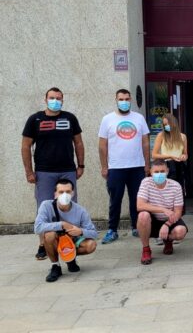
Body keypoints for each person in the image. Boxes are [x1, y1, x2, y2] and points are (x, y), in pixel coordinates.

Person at [22, 87, 85, 260]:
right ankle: (44, 244)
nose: (55, 100)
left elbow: (78, 143)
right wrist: (29, 171)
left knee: (70, 205)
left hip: (67, 170)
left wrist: (80, 165)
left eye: (58, 98)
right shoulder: (35, 119)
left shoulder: (70, 118)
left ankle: (70, 239)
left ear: (63, 100)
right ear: (45, 99)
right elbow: (25, 146)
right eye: (52, 97)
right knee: (44, 207)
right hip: (44, 172)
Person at [98, 88, 150, 244]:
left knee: (137, 198)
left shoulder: (139, 118)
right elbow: (102, 145)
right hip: (115, 167)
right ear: (116, 100)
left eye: (127, 99)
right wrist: (104, 166)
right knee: (115, 200)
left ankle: (137, 227)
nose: (124, 102)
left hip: (137, 166)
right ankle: (112, 230)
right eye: (121, 99)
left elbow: (146, 142)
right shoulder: (107, 119)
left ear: (131, 100)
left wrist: (147, 164)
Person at [34, 179, 97, 282]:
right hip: (55, 239)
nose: (64, 195)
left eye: (68, 192)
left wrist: (80, 231)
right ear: (55, 194)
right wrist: (61, 224)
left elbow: (93, 233)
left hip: (72, 240)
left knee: (91, 245)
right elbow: (37, 228)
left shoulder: (80, 210)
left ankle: (70, 258)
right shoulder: (46, 205)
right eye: (61, 192)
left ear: (73, 193)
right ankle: (55, 266)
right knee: (49, 235)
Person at [136, 159, 187, 265]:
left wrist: (167, 225)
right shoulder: (146, 182)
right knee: (143, 215)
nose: (159, 174)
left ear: (167, 171)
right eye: (156, 172)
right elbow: (140, 205)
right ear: (151, 172)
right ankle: (146, 249)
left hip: (170, 219)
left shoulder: (176, 186)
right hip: (152, 219)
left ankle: (168, 239)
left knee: (181, 231)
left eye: (162, 171)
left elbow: (178, 212)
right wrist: (163, 209)